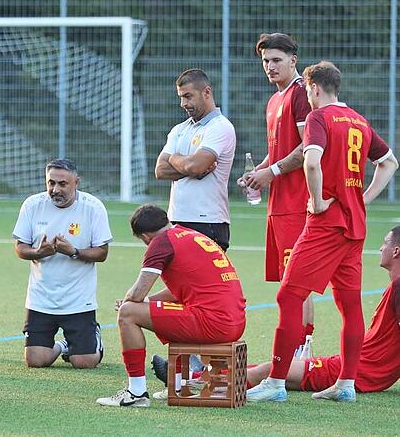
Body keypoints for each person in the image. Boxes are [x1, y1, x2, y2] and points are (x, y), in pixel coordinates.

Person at [248, 61, 398, 403]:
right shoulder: (358, 120)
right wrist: (362, 200)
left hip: (326, 226)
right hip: (355, 227)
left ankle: (275, 382)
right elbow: (389, 162)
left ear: (314, 88)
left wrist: (315, 201)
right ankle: (346, 384)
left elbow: (311, 160)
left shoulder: (320, 117)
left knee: (289, 297)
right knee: (349, 306)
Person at [96, 204, 245, 408]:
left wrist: (128, 301)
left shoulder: (160, 243)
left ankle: (136, 392)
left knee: (127, 313)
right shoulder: (188, 233)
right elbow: (180, 292)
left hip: (212, 322)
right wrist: (147, 303)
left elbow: (138, 292)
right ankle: (175, 386)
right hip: (234, 320)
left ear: (145, 237)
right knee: (156, 310)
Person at [245, 226, 400, 395]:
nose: (380, 248)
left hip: (362, 370)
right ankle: (221, 378)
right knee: (272, 367)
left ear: (396, 251)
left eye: (385, 243)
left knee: (266, 370)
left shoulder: (399, 287)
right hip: (359, 365)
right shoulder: (395, 286)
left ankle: (217, 386)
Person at [240, 33, 315, 354]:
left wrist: (271, 172)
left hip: (298, 200)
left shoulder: (300, 94)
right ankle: (296, 345)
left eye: (276, 61)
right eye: (266, 62)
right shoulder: (275, 99)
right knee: (288, 279)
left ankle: (303, 347)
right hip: (279, 202)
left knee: (298, 281)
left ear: (293, 61)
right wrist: (260, 173)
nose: (270, 67)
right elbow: (280, 150)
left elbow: (307, 147)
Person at [12, 159, 112, 369]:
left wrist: (73, 252)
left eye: (62, 184)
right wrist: (38, 252)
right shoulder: (32, 205)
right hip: (41, 298)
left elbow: (102, 253)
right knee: (36, 361)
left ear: (76, 182)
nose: (55, 189)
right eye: (51, 183)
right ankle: (64, 345)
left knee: (84, 363)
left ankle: (93, 338)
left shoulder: (93, 208)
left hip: (78, 299)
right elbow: (20, 247)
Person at [154, 69, 235, 251]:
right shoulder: (179, 129)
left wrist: (174, 158)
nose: (183, 103)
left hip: (208, 221)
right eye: (181, 97)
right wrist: (190, 166)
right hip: (176, 219)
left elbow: (195, 165)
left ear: (207, 92)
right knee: (179, 280)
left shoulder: (220, 127)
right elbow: (160, 170)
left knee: (207, 280)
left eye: (188, 96)